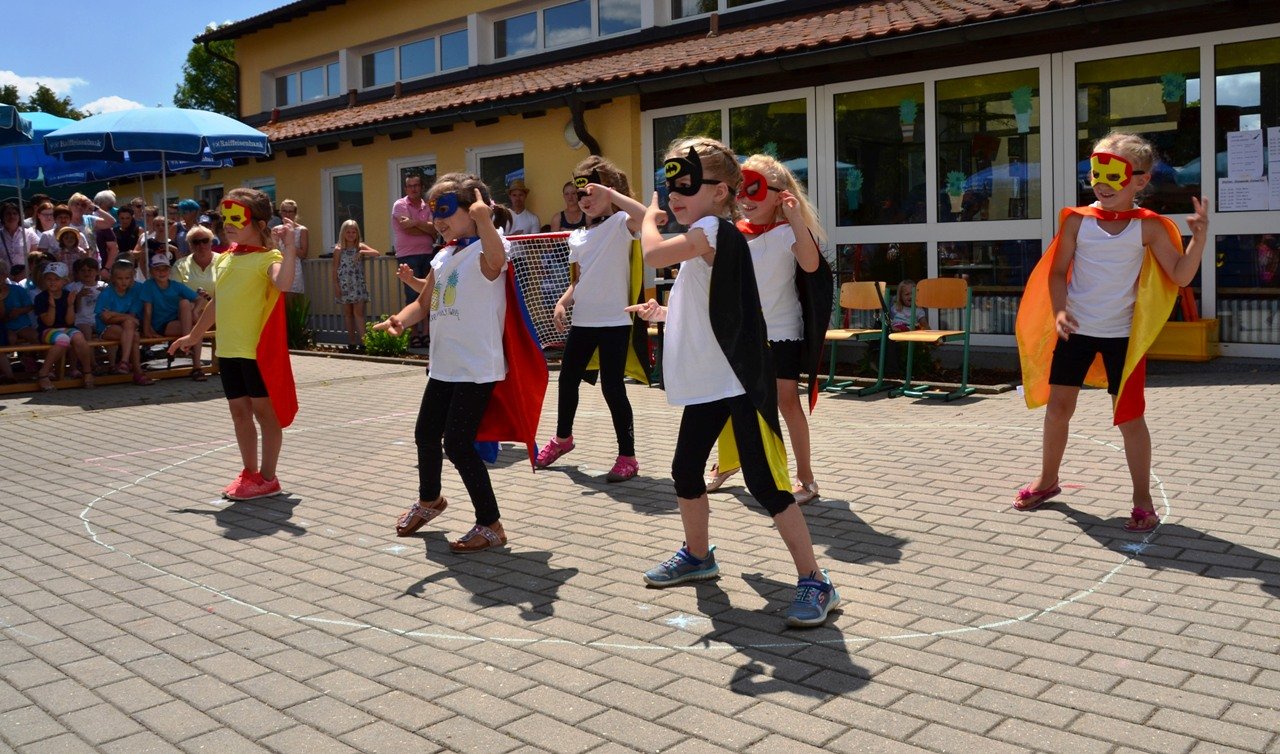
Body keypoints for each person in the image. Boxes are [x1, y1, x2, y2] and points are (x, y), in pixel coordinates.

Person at [630, 137, 838, 628]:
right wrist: (662, 310)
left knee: (766, 484)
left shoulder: (712, 229)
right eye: (670, 186)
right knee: (685, 471)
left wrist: (646, 221)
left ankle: (815, 579)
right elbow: (705, 300)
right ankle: (699, 557)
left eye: (687, 185)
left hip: (742, 379)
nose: (676, 195)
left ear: (722, 190)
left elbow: (654, 256)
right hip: (712, 380)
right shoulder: (713, 232)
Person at [1015, 131, 1208, 533]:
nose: (1101, 182)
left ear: (1140, 179)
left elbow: (1180, 276)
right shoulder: (1077, 221)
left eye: (1113, 172)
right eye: (1095, 171)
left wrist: (1199, 239)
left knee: (1130, 417)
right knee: (1058, 408)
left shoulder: (1149, 227)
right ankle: (1047, 480)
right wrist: (1060, 311)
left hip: (1123, 338)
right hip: (1077, 331)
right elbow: (1055, 272)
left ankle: (1143, 499)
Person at [376, 173, 532, 552]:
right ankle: (430, 501)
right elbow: (424, 302)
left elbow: (496, 260)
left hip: (477, 367)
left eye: (445, 210)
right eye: (434, 212)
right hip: (445, 365)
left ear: (473, 207)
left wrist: (483, 218)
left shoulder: (489, 249)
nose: (437, 220)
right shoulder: (445, 254)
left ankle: (491, 524)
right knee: (425, 434)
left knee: (459, 445)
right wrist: (400, 319)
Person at [704, 154, 831, 505]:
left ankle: (805, 477)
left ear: (779, 194)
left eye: (755, 190)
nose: (745, 199)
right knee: (730, 399)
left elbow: (810, 264)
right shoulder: (732, 234)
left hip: (781, 332)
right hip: (742, 332)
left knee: (787, 403)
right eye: (740, 190)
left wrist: (794, 218)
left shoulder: (789, 232)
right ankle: (729, 462)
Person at [169, 188, 299, 501]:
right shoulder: (225, 258)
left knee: (264, 415)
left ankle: (268, 478)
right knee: (240, 414)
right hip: (228, 351)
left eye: (236, 217)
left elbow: (283, 283)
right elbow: (218, 300)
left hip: (255, 352)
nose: (227, 223)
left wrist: (290, 246)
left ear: (258, 222)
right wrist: (195, 335)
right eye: (224, 217)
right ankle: (249, 472)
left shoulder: (268, 258)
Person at [536, 157, 648, 482]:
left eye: (592, 191)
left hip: (615, 323)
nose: (585, 199)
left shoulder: (621, 223)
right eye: (579, 193)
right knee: (567, 380)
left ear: (609, 192)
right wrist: (562, 302)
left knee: (613, 388)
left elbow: (646, 216)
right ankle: (562, 439)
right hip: (583, 323)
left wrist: (612, 195)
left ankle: (628, 456)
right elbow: (577, 279)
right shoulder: (577, 237)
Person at [391, 172, 438, 349]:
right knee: (412, 295)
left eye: (416, 185)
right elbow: (406, 228)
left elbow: (435, 230)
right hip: (407, 254)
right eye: (410, 186)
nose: (413, 189)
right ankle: (414, 335)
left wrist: (415, 222)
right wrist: (426, 227)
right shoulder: (400, 204)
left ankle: (426, 333)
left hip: (427, 252)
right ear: (406, 188)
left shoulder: (428, 206)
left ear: (421, 187)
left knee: (428, 293)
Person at [33, 262, 95, 391]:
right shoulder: (41, 298)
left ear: (64, 281)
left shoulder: (68, 295)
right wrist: (52, 306)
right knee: (63, 339)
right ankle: (43, 373)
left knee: (79, 337)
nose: (52, 282)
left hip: (66, 327)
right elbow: (48, 322)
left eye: (56, 279)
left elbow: (69, 321)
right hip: (46, 330)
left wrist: (71, 305)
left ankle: (87, 372)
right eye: (49, 279)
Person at [95, 259, 152, 385]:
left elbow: (132, 317)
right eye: (120, 278)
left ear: (132, 277)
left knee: (131, 329)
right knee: (133, 334)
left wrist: (114, 314)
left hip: (125, 327)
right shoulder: (107, 293)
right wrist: (123, 317)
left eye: (127, 278)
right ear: (113, 278)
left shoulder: (136, 290)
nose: (124, 281)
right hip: (106, 327)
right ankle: (136, 371)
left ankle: (124, 362)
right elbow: (105, 318)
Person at [332, 219, 380, 352]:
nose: (351, 234)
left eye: (354, 232)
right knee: (348, 313)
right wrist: (336, 285)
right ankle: (352, 341)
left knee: (358, 313)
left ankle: (364, 342)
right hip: (344, 285)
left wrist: (363, 252)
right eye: (348, 232)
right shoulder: (338, 249)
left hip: (357, 284)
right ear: (343, 233)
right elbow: (335, 269)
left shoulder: (360, 246)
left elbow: (376, 253)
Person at [140, 253, 198, 346]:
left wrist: (195, 310)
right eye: (157, 269)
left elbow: (199, 298)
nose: (161, 272)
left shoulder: (176, 285)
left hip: (178, 320)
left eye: (165, 269)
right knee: (197, 331)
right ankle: (186, 345)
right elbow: (147, 311)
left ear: (169, 270)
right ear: (151, 271)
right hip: (161, 325)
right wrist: (147, 331)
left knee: (185, 303)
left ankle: (187, 347)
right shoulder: (148, 285)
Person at [1, 259, 39, 370]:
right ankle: (6, 368)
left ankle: (31, 360)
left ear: (6, 274)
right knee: (10, 339)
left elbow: (30, 306)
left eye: (2, 273)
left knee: (36, 337)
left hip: (22, 325)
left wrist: (19, 311)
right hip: (4, 327)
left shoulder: (17, 289)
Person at [66, 257, 105, 350]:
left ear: (97, 272)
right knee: (86, 332)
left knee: (110, 330)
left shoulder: (104, 286)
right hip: (81, 321)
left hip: (99, 320)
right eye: (83, 270)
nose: (86, 273)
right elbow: (75, 309)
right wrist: (78, 297)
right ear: (78, 273)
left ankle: (113, 362)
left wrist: (105, 295)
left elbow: (108, 307)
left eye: (90, 270)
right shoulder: (72, 287)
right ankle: (92, 363)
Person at [277, 199, 309, 301]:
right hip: (278, 268)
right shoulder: (275, 230)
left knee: (293, 306)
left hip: (295, 270)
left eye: (290, 211)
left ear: (295, 213)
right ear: (280, 212)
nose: (287, 214)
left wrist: (288, 242)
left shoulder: (302, 230)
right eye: (285, 211)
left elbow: (304, 254)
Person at [2, 202, 40, 270]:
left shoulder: (29, 233)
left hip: (25, 275)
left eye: (15, 213)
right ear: (2, 217)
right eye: (8, 213)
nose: (12, 216)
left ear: (19, 216)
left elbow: (35, 257)